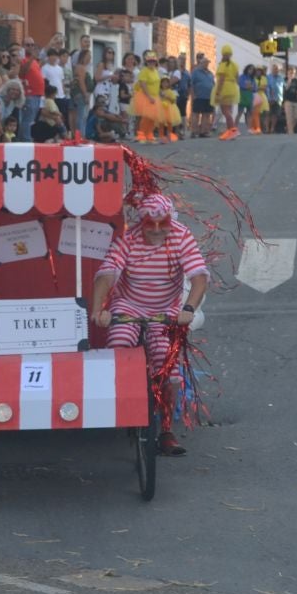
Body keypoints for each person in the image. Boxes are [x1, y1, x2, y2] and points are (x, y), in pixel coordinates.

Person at [88, 193, 210, 456]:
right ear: (140, 221)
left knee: (169, 368)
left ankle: (166, 430)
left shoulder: (181, 236)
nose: (156, 230)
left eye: (162, 224)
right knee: (119, 343)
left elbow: (199, 277)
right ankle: (123, 409)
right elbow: (107, 275)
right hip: (128, 306)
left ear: (170, 220)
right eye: (149, 225)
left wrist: (187, 308)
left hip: (165, 309)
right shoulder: (128, 239)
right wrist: (99, 309)